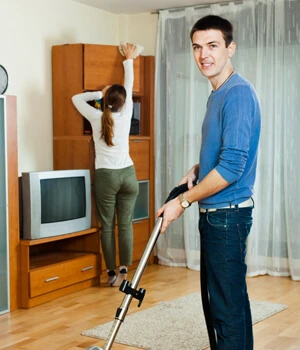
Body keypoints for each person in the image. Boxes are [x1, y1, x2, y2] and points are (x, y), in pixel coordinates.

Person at [157, 15, 261, 349]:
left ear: (230, 48)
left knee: (225, 311)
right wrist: (198, 167)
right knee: (228, 303)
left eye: (213, 46)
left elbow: (232, 167)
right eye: (197, 47)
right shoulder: (218, 92)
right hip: (218, 215)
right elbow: (226, 150)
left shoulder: (237, 94)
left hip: (227, 217)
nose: (204, 54)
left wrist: (182, 202)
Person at [72, 43, 139, 287]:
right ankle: (124, 271)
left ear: (108, 101)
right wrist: (128, 59)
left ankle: (110, 273)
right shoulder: (127, 111)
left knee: (107, 227)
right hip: (129, 176)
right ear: (123, 102)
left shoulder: (96, 116)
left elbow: (75, 98)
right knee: (126, 224)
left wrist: (98, 95)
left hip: (106, 177)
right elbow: (128, 85)